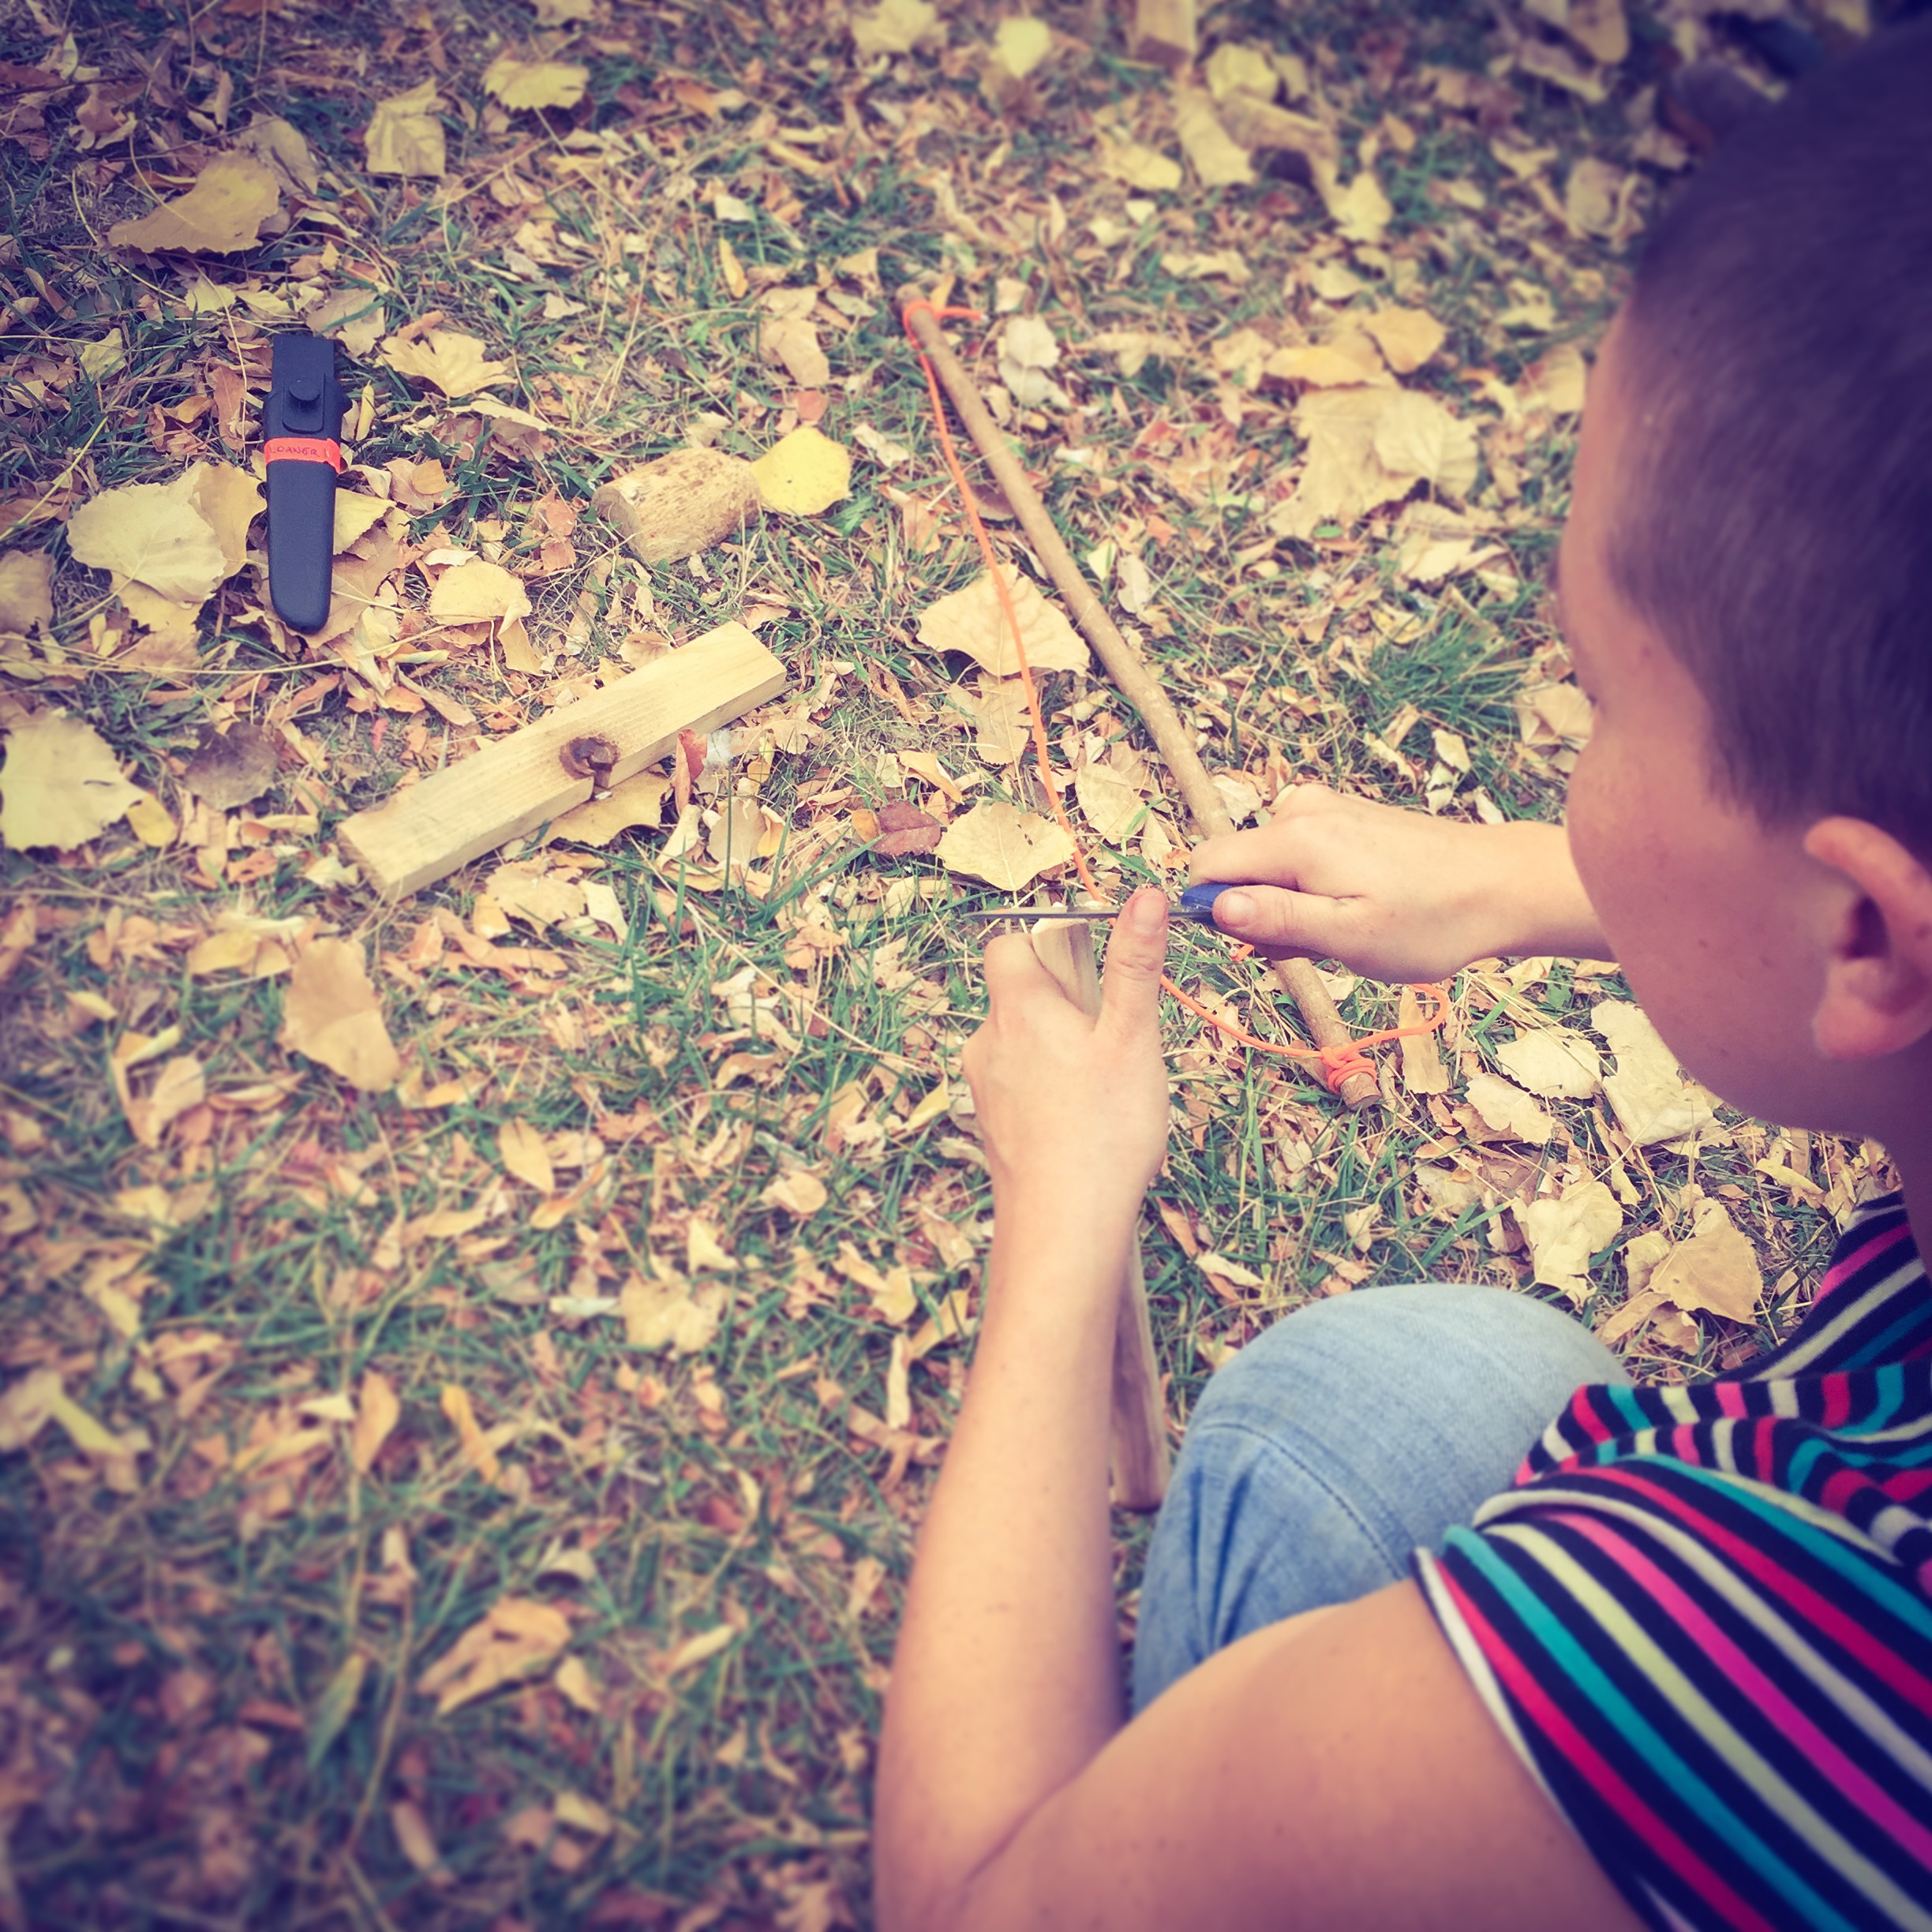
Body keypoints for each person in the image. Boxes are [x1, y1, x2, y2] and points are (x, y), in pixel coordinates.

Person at [874, 22, 1932, 1932]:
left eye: (1598, 703)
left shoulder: (1747, 1653)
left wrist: (1061, 1221)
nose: (1570, 763)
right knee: (1422, 1393)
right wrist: (1541, 882)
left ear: (1867, 930)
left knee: (1354, 1429)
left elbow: (970, 1909)